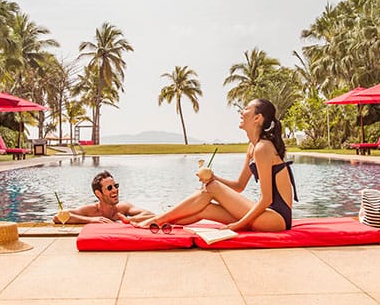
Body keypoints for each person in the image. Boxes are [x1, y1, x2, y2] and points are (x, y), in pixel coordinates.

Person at [137, 98, 297, 232]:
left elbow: (267, 199)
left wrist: (236, 226)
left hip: (276, 219)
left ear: (257, 118)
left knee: (212, 187)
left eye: (247, 108)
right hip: (267, 216)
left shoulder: (263, 148)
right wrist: (214, 177)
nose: (242, 112)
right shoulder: (252, 147)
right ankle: (159, 223)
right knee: (206, 209)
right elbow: (239, 186)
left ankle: (158, 219)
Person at [53, 170, 154, 224]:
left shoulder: (123, 208)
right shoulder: (90, 211)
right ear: (98, 194)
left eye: (116, 186)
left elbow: (149, 214)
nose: (115, 190)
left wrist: (126, 221)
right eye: (109, 188)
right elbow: (58, 216)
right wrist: (91, 220)